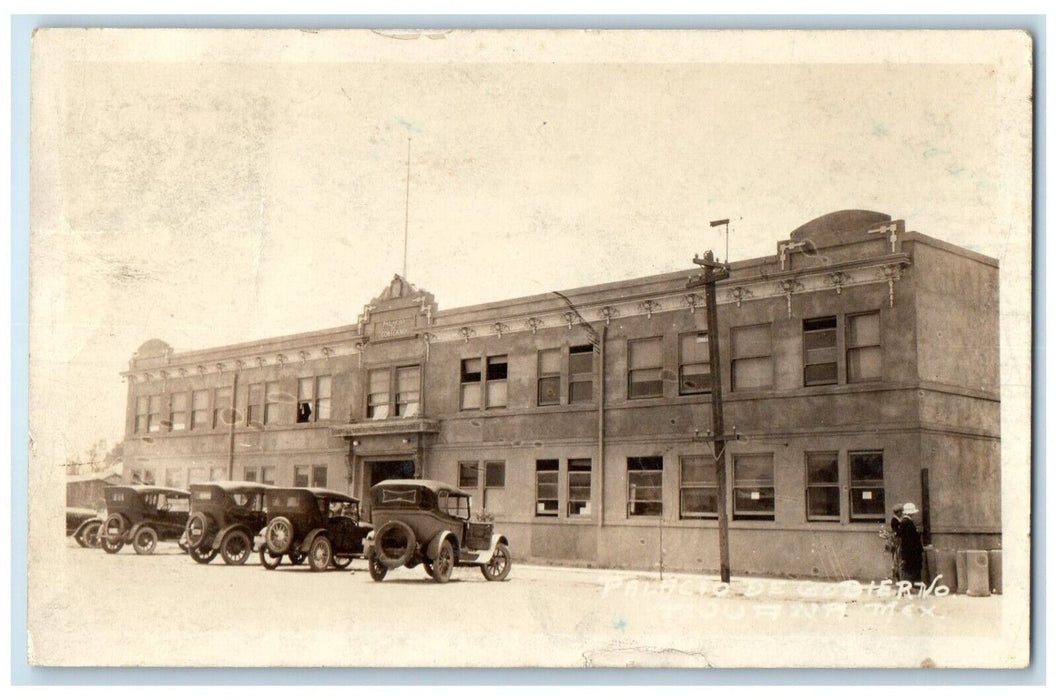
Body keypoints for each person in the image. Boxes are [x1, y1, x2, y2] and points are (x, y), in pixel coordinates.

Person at [897, 502, 924, 583]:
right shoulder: (908, 523)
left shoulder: (903, 522)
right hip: (911, 551)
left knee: (909, 567)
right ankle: (911, 584)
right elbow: (911, 538)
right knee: (912, 568)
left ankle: (909, 584)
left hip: (907, 550)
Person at [888, 506, 904, 580]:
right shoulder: (895, 520)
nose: (902, 513)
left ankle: (898, 575)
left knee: (897, 557)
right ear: (897, 512)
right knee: (897, 557)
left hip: (898, 539)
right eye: (901, 511)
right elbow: (896, 531)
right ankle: (897, 575)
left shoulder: (898, 519)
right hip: (897, 540)